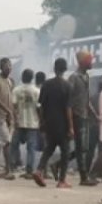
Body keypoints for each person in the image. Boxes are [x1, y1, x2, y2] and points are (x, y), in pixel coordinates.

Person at [35, 57, 74, 188]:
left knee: (49, 149)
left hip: (49, 123)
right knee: (65, 152)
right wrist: (71, 127)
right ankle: (62, 180)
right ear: (65, 69)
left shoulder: (46, 84)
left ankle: (39, 170)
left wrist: (41, 122)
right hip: (62, 125)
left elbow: (40, 106)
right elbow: (68, 108)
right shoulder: (67, 86)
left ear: (54, 68)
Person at [68, 51, 95, 185]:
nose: (92, 63)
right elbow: (68, 100)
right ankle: (83, 178)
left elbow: (86, 99)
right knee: (82, 148)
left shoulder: (86, 77)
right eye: (89, 60)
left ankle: (57, 164)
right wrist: (70, 122)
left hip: (84, 115)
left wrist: (95, 114)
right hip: (77, 116)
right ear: (83, 62)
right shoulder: (73, 77)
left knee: (83, 147)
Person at [12, 69, 41, 178]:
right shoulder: (37, 91)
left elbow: (14, 107)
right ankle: (29, 171)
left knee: (13, 145)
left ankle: (13, 166)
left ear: (22, 77)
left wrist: (15, 120)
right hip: (33, 124)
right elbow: (39, 108)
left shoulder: (16, 90)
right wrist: (41, 121)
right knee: (31, 148)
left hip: (19, 123)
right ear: (32, 78)